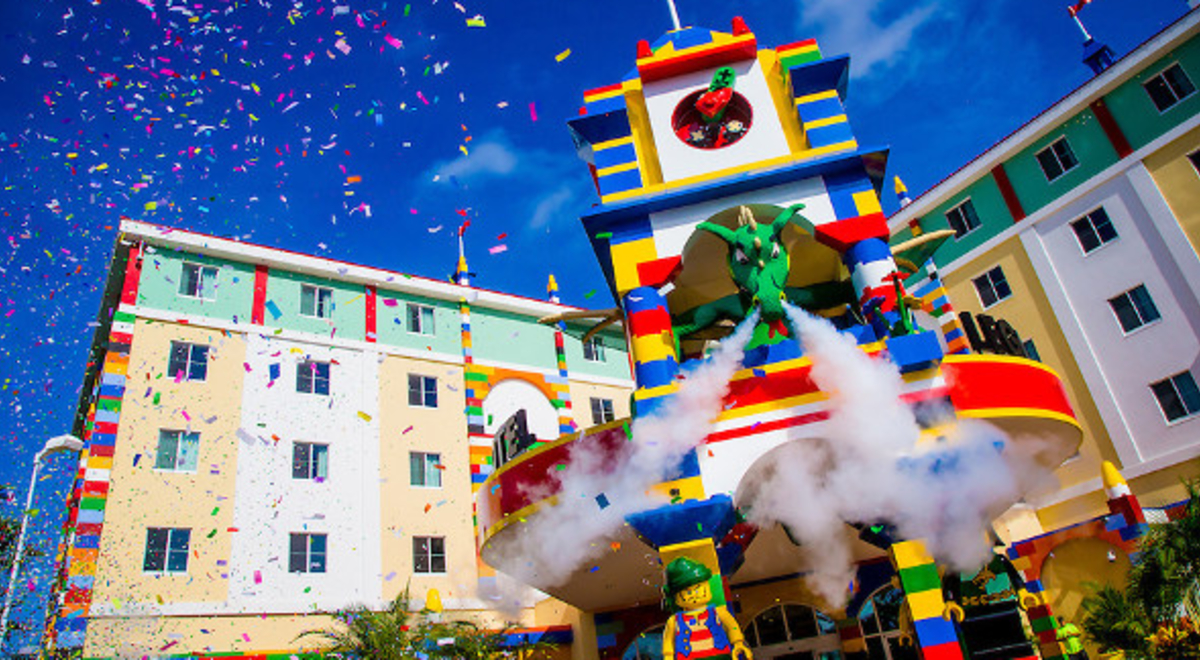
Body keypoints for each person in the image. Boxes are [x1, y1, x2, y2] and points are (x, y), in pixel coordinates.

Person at [661, 557, 752, 660]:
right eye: (688, 592)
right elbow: (668, 640)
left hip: (719, 656)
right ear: (676, 598)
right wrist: (668, 655)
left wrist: (738, 642)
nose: (695, 595)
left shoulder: (718, 612)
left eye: (698, 589)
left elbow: (732, 626)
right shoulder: (674, 621)